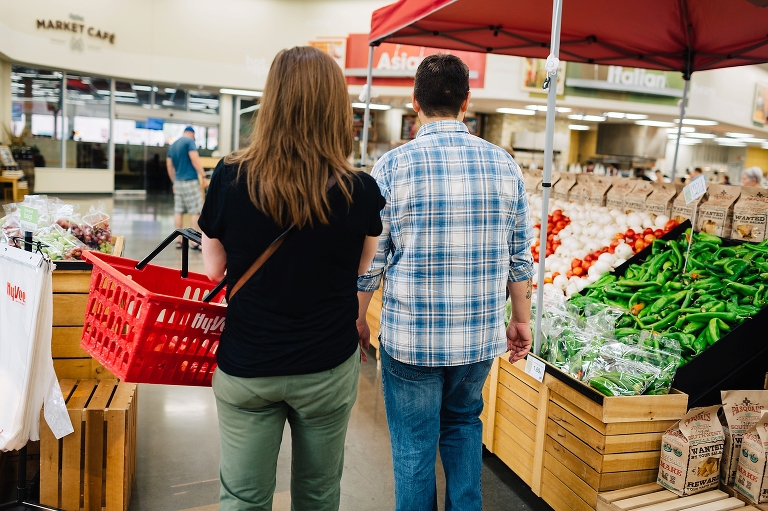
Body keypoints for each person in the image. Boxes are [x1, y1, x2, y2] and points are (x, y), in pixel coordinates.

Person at [199, 46, 385, 511]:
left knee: (243, 496)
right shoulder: (359, 188)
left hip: (248, 363)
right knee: (319, 493)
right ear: (335, 108)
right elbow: (362, 268)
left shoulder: (229, 176)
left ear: (273, 101)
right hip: (326, 363)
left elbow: (213, 270)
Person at [357, 54, 534, 511]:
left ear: (415, 103)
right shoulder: (505, 166)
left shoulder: (392, 167)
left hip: (411, 339)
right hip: (478, 339)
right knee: (462, 426)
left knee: (413, 446)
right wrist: (521, 321)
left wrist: (357, 316)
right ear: (466, 102)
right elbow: (519, 258)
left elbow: (373, 260)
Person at [167, 126, 207, 248]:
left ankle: (178, 241)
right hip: (190, 181)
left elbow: (169, 165)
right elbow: (194, 159)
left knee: (178, 211)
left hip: (178, 182)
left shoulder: (173, 145)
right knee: (195, 210)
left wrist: (173, 181)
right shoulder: (189, 142)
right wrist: (203, 175)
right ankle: (194, 241)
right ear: (192, 134)